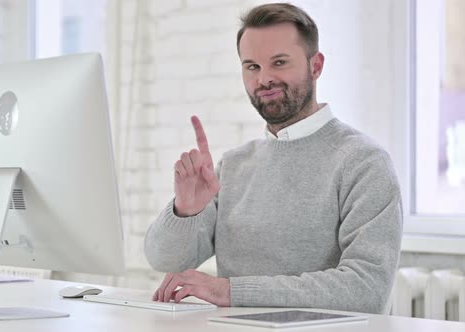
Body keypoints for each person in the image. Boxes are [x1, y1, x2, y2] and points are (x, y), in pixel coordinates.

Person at [143, 3, 402, 314]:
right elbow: (164, 259)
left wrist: (232, 290)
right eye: (251, 66)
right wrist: (184, 210)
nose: (263, 79)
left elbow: (366, 289)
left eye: (279, 62)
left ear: (316, 65)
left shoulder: (364, 163)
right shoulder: (234, 166)